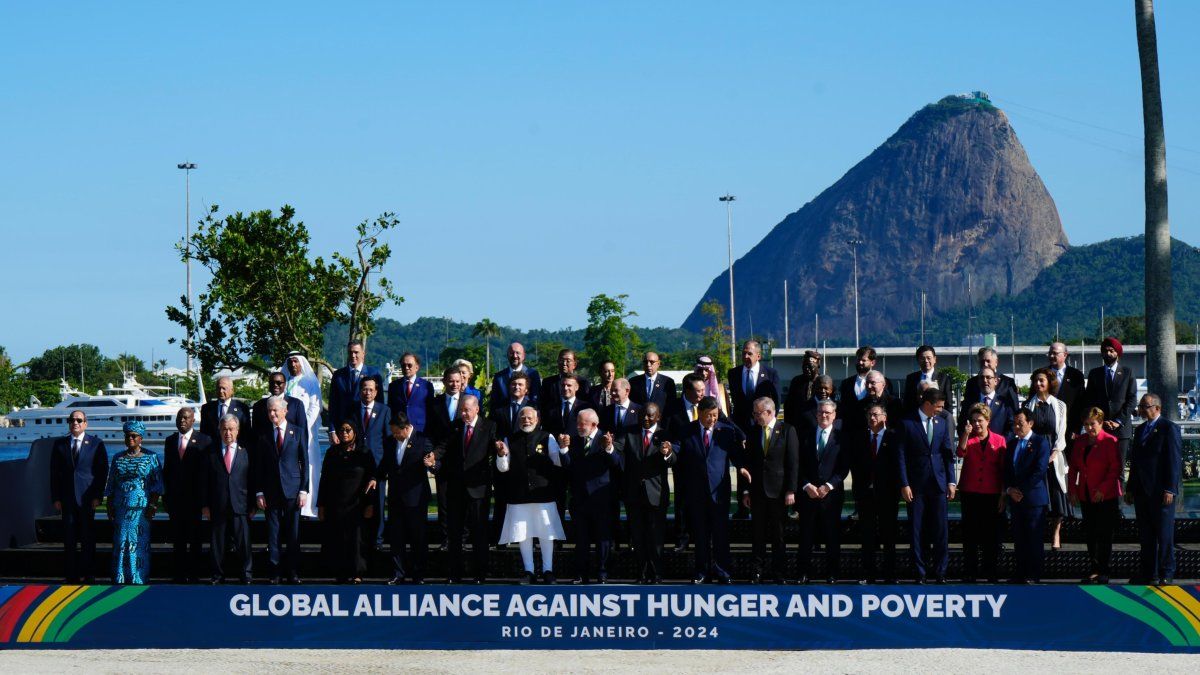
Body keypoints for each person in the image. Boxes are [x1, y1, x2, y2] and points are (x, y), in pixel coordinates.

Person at [674, 396, 747, 584]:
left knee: (721, 534)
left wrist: (742, 467)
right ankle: (702, 572)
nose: (712, 419)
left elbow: (736, 454)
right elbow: (677, 451)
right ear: (700, 412)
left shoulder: (726, 431)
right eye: (709, 415)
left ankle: (723, 571)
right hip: (696, 492)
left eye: (716, 415)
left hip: (719, 492)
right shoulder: (686, 430)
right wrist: (668, 452)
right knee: (700, 534)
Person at [496, 407, 566, 584]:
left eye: (529, 417)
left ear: (537, 419)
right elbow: (503, 467)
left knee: (546, 533)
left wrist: (563, 448)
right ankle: (529, 571)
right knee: (523, 534)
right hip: (519, 495)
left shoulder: (546, 437)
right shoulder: (509, 439)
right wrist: (501, 455)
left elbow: (558, 462)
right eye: (522, 417)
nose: (526, 420)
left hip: (543, 494)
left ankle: (548, 570)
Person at [434, 395, 497, 583]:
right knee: (455, 534)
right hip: (456, 489)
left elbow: (496, 448)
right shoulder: (455, 426)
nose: (463, 413)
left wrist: (501, 451)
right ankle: (455, 574)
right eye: (461, 410)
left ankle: (480, 574)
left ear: (477, 409)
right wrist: (432, 456)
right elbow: (443, 447)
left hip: (478, 489)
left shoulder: (489, 426)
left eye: (467, 410)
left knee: (479, 532)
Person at [897, 387, 956, 583]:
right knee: (916, 530)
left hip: (939, 485)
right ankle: (919, 573)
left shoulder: (941, 422)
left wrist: (951, 480)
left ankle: (941, 572)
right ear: (928, 404)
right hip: (916, 486)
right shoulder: (907, 422)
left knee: (941, 530)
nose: (941, 410)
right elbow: (901, 456)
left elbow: (948, 454)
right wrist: (904, 483)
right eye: (938, 407)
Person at [560, 409, 623, 583]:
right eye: (578, 423)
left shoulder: (606, 437)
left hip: (602, 499)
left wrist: (609, 448)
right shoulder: (573, 439)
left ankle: (602, 573)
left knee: (603, 539)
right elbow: (568, 466)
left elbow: (616, 463)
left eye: (582, 424)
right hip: (579, 499)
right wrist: (564, 449)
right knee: (581, 539)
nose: (578, 426)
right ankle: (581, 573)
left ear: (594, 425)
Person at [1125, 394, 1183, 584]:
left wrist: (1170, 488)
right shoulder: (1140, 429)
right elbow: (1135, 462)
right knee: (1146, 535)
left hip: (1161, 491)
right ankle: (1148, 572)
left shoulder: (1168, 428)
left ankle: (1166, 572)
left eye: (1145, 406)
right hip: (1142, 491)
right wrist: (1131, 488)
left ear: (1157, 408)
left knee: (1164, 534)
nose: (1141, 410)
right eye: (1141, 406)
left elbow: (1174, 460)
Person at [375, 412, 437, 585]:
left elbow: (433, 464)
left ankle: (419, 575)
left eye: (397, 432)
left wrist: (432, 464)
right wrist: (375, 477)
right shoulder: (390, 441)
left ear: (407, 428)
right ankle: (398, 573)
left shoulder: (422, 440)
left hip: (416, 498)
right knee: (396, 539)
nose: (394, 436)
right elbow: (385, 465)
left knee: (418, 538)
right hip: (395, 497)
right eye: (393, 433)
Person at [742, 397, 798, 584]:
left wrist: (791, 490)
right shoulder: (752, 431)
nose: (755, 417)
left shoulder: (787, 430)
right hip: (757, 492)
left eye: (757, 413)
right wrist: (746, 491)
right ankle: (756, 572)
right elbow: (747, 463)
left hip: (779, 492)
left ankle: (779, 572)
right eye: (754, 413)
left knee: (778, 535)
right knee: (758, 535)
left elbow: (792, 463)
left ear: (769, 412)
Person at [255, 397, 310, 584]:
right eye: (269, 411)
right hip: (270, 493)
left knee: (293, 534)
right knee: (273, 535)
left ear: (285, 411)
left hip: (293, 492)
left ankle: (293, 572)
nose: (272, 414)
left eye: (275, 410)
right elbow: (259, 466)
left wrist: (304, 490)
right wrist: (259, 492)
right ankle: (275, 573)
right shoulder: (263, 434)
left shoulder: (299, 432)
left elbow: (305, 462)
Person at [618, 403, 675, 584]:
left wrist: (667, 454)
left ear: (658, 417)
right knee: (638, 536)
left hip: (656, 494)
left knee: (656, 537)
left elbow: (674, 459)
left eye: (650, 416)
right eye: (642, 415)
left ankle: (657, 574)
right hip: (634, 494)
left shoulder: (665, 434)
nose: (645, 419)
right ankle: (642, 574)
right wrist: (610, 446)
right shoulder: (629, 432)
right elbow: (617, 450)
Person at [50, 411, 108, 583]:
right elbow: (54, 473)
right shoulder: (59, 444)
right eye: (72, 420)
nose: (75, 422)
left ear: (85, 423)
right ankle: (71, 576)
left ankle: (89, 575)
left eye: (79, 420)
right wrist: (56, 498)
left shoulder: (96, 444)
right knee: (69, 539)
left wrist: (98, 495)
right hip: (67, 500)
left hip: (87, 499)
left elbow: (102, 472)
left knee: (87, 539)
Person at [795, 399, 849, 583]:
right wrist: (806, 485)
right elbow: (797, 465)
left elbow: (844, 468)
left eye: (827, 412)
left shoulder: (842, 437)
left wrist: (829, 486)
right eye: (820, 412)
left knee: (831, 535)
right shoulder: (804, 435)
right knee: (806, 535)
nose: (824, 415)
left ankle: (833, 573)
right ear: (816, 414)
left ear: (834, 415)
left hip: (831, 496)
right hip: (808, 494)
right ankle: (803, 573)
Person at [103, 420, 162, 584]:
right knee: (121, 543)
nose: (130, 438)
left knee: (138, 544)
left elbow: (157, 485)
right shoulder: (117, 458)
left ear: (141, 438)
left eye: (134, 436)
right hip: (121, 508)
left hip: (141, 509)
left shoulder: (151, 457)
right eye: (127, 436)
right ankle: (120, 577)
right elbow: (111, 483)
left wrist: (152, 505)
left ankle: (139, 577)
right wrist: (109, 505)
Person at [318, 419, 377, 584]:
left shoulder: (364, 452)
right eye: (341, 430)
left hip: (357, 505)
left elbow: (372, 478)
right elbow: (324, 480)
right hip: (335, 504)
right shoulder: (332, 453)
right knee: (338, 540)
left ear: (355, 432)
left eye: (348, 430)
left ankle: (357, 573)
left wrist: (370, 504)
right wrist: (321, 505)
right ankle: (341, 572)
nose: (344, 433)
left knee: (357, 540)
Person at [1068, 408, 1122, 584]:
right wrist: (1073, 490)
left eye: (1093, 424)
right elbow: (1074, 468)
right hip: (1085, 494)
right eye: (1086, 424)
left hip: (1105, 496)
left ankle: (1104, 570)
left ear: (1100, 423)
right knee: (1090, 533)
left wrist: (1102, 490)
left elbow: (1115, 470)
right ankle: (1094, 568)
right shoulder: (1080, 441)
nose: (1089, 428)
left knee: (1104, 533)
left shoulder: (1110, 441)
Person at [956, 403, 1007, 583]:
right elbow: (960, 452)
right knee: (970, 535)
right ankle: (970, 571)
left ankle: (990, 571)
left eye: (980, 421)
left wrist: (1002, 495)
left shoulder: (1000, 440)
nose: (977, 424)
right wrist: (966, 433)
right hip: (970, 492)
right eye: (974, 421)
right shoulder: (968, 439)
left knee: (990, 535)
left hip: (991, 493)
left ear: (988, 421)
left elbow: (1003, 470)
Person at [851, 402, 901, 583]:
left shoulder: (894, 436)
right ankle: (868, 573)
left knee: (889, 535)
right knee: (867, 535)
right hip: (865, 495)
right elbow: (855, 466)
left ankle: (890, 573)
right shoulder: (859, 438)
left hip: (888, 494)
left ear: (884, 417)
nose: (872, 418)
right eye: (870, 415)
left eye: (876, 414)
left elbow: (898, 465)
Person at [163, 407, 212, 583]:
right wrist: (166, 497)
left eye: (185, 418)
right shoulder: (170, 441)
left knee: (195, 540)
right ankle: (178, 574)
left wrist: (205, 501)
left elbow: (207, 473)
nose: (182, 421)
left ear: (193, 420)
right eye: (179, 418)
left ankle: (194, 575)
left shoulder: (205, 440)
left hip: (196, 500)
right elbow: (167, 470)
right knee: (178, 539)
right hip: (175, 500)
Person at [204, 414, 254, 584]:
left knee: (244, 543)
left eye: (231, 429)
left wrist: (253, 504)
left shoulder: (246, 452)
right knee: (217, 544)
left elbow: (252, 480)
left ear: (237, 431)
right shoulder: (210, 452)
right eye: (224, 429)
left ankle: (246, 575)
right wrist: (205, 505)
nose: (228, 433)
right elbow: (204, 481)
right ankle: (217, 575)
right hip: (218, 504)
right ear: (219, 430)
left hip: (241, 505)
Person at [1005, 408, 1051, 584]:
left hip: (1033, 499)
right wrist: (1010, 489)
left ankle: (1033, 574)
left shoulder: (1040, 442)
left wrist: (1021, 490)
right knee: (1019, 538)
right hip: (1016, 500)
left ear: (1030, 423)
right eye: (1014, 423)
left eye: (1020, 423)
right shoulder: (1011, 444)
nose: (1017, 426)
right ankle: (1020, 572)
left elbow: (1039, 470)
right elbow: (1007, 471)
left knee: (1033, 538)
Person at [1025, 367, 1070, 550]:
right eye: (1035, 381)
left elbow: (1061, 433)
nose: (1038, 384)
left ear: (1049, 383)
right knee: (1037, 495)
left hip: (1054, 454)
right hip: (1035, 454)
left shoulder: (1059, 405)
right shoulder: (1029, 405)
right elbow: (1027, 432)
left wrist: (1054, 453)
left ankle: (1056, 534)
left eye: (1041, 380)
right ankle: (1038, 533)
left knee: (1056, 495)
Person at [1084, 337, 1138, 466]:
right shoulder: (1094, 373)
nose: (1108, 353)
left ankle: (1119, 488)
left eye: (1111, 350)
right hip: (1099, 428)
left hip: (1121, 430)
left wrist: (1118, 421)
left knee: (1119, 468)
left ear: (1117, 353)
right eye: (1105, 351)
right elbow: (1089, 399)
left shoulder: (1127, 372)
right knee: (1100, 467)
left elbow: (1132, 399)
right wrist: (1099, 420)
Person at [284, 352, 324, 518]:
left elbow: (315, 406)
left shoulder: (310, 382)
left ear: (301, 363)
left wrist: (302, 425)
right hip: (286, 433)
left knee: (309, 467)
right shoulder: (284, 382)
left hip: (306, 432)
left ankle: (309, 508)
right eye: (290, 362)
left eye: (296, 361)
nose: (293, 365)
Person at [356, 377, 392, 550]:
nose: (367, 392)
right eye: (364, 389)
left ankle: (377, 540)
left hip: (377, 466)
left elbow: (388, 440)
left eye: (371, 389)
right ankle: (360, 539)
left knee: (378, 504)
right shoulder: (353, 409)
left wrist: (384, 468)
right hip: (357, 467)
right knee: (358, 504)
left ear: (376, 392)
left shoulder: (384, 411)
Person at [329, 339, 383, 441]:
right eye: (350, 352)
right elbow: (333, 405)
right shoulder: (338, 375)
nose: (353, 355)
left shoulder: (374, 373)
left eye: (356, 352)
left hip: (366, 429)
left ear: (363, 354)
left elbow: (380, 404)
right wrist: (332, 430)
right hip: (343, 431)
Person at [957, 366, 1013, 437]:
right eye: (981, 377)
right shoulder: (969, 402)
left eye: (988, 377)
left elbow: (1011, 427)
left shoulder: (1005, 403)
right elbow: (961, 425)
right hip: (974, 446)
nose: (985, 380)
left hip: (998, 446)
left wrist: (1001, 443)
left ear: (996, 381)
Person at [962, 347, 1020, 414]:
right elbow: (965, 409)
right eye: (982, 361)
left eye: (988, 361)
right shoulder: (971, 383)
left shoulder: (1007, 382)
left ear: (996, 362)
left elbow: (1015, 409)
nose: (985, 364)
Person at [1047, 341, 1087, 439]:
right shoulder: (1042, 374)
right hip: (1046, 429)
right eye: (1050, 353)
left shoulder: (1076, 375)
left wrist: (1077, 428)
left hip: (1069, 429)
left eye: (1055, 353)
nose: (1051, 356)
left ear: (1065, 355)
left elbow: (1081, 404)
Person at [388, 352, 435, 432]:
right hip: (400, 430)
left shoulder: (426, 386)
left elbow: (431, 410)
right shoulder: (394, 386)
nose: (406, 368)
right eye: (403, 365)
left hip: (420, 430)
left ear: (417, 367)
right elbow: (390, 409)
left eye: (409, 365)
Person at [489, 341, 541, 412]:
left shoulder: (533, 374)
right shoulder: (499, 377)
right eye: (512, 353)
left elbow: (536, 400)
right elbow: (494, 403)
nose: (515, 356)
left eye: (517, 353)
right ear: (507, 355)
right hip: (504, 419)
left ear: (523, 356)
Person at [200, 376, 250, 445]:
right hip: (212, 451)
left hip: (234, 450)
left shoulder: (242, 408)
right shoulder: (207, 408)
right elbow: (203, 433)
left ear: (232, 390)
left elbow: (246, 433)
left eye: (224, 388)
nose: (221, 391)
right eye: (218, 388)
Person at [902, 345, 952, 413]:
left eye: (929, 358)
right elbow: (907, 402)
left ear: (934, 359)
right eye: (922, 358)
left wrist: (948, 420)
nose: (926, 361)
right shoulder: (911, 378)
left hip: (938, 418)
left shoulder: (944, 378)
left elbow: (948, 404)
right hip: (917, 419)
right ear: (918, 360)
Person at [540, 349, 592, 414]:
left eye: (568, 361)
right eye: (561, 360)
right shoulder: (548, 382)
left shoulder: (583, 382)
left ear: (574, 364)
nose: (564, 364)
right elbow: (543, 405)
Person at [784, 350, 824, 418]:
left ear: (818, 365)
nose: (807, 369)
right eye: (804, 366)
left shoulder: (823, 382)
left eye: (810, 366)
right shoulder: (796, 382)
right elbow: (788, 405)